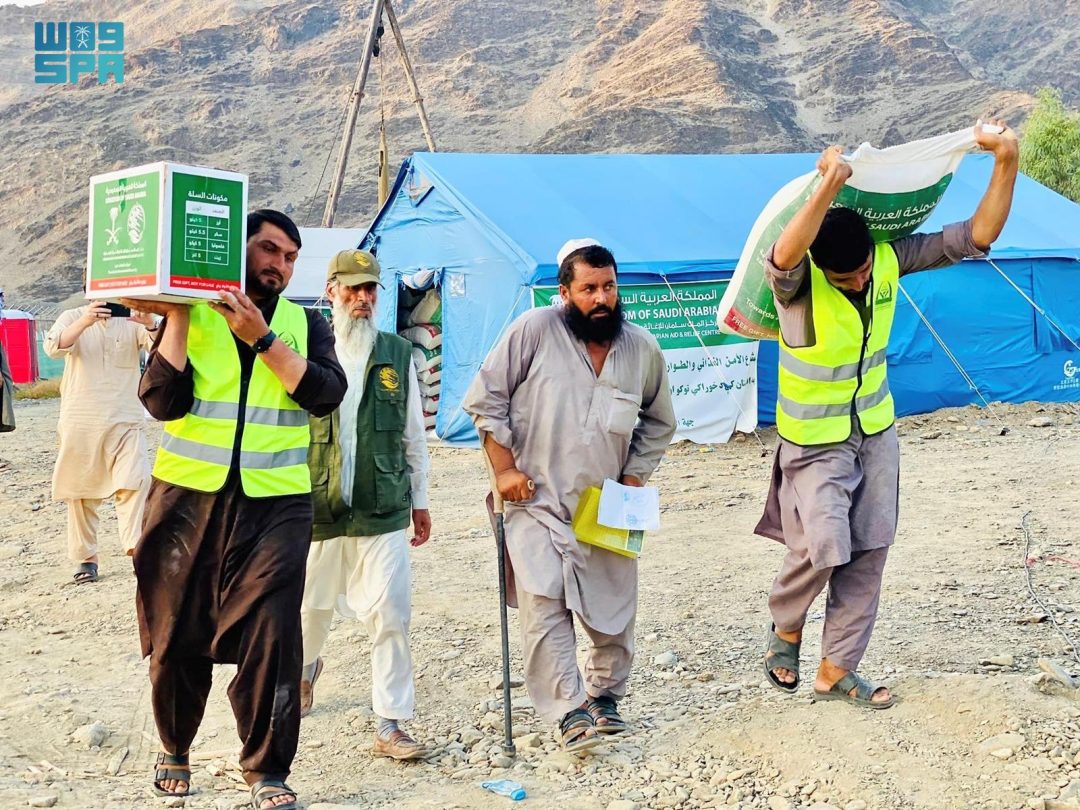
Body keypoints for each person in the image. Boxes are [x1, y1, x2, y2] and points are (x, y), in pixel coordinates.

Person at [756, 120, 1020, 709]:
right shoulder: (794, 286)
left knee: (871, 546)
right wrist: (829, 183)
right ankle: (786, 624)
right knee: (826, 544)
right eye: (845, 275)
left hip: (874, 431)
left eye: (863, 271)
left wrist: (1006, 159)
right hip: (813, 440)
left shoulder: (887, 258)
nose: (859, 279)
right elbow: (784, 253)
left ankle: (836, 668)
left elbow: (977, 235)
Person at [123, 210, 347, 810]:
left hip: (277, 505)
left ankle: (267, 770)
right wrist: (173, 314)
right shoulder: (189, 316)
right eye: (269, 250)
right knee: (176, 628)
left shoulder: (306, 322)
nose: (280, 264)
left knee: (274, 632)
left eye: (291, 257)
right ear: (236, 250)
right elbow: (162, 402)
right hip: (185, 500)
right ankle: (175, 746)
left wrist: (264, 341)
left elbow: (326, 393)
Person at [463, 239, 676, 752]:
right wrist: (505, 468)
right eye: (588, 289)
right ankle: (568, 711)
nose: (601, 298)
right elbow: (486, 399)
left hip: (605, 506)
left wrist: (635, 475)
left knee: (613, 607)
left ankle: (604, 697)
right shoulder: (535, 330)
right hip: (534, 500)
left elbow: (659, 420)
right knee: (544, 602)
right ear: (564, 293)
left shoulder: (641, 347)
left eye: (608, 287)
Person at [299, 249, 433, 761]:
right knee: (309, 611)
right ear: (331, 290)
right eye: (352, 289)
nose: (362, 299)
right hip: (317, 506)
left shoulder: (397, 354)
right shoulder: (309, 349)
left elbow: (413, 436)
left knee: (391, 613)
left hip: (382, 507)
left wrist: (419, 501)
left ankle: (390, 722)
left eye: (370, 289)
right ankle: (305, 671)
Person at [43, 302, 156, 582]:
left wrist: (150, 323)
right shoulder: (71, 316)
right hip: (80, 417)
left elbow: (160, 348)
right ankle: (86, 558)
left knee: (135, 480)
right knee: (80, 493)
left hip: (125, 416)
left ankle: (137, 550)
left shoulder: (133, 318)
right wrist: (86, 320)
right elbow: (53, 347)